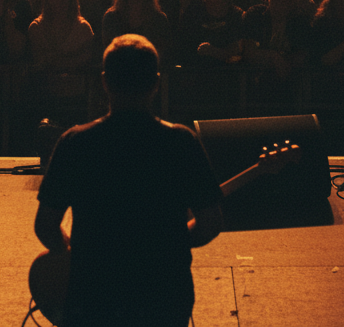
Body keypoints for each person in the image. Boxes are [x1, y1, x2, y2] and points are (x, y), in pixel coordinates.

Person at [34, 33, 224, 327]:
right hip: (163, 295)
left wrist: (70, 249)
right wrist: (166, 243)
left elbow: (45, 225)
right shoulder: (181, 142)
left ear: (105, 82)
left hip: (94, 297)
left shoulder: (74, 143)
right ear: (156, 83)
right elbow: (210, 222)